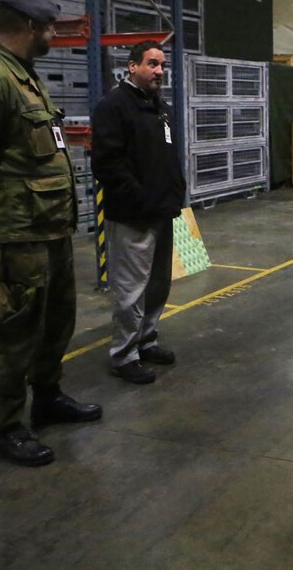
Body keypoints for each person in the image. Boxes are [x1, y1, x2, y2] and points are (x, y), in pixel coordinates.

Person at [0, 0, 102, 467]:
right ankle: (7, 426)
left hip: (49, 228)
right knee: (13, 330)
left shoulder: (26, 79)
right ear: (31, 28)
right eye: (51, 28)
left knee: (55, 322)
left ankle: (49, 397)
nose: (55, 35)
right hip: (17, 233)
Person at [91, 40, 187, 385]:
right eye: (152, 64)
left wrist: (175, 192)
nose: (159, 71)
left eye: (162, 65)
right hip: (133, 214)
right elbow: (107, 164)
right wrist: (142, 198)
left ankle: (146, 339)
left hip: (163, 211)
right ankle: (124, 354)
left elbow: (167, 155)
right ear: (132, 66)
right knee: (130, 288)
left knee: (157, 285)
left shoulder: (158, 106)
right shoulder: (114, 106)